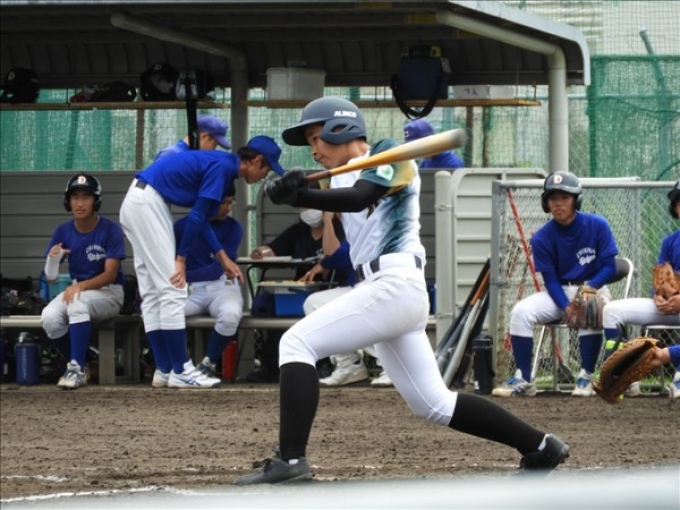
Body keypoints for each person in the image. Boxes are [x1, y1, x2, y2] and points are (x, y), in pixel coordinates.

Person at [234, 96, 569, 486]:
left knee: (296, 343)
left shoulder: (389, 154)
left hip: (394, 283)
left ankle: (290, 459)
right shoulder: (341, 175)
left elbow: (360, 197)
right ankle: (540, 445)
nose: (313, 149)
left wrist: (300, 195)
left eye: (315, 138)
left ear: (339, 129)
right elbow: (335, 225)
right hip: (383, 289)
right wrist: (295, 193)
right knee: (433, 403)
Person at [120, 135, 284, 389]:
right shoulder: (224, 168)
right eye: (267, 169)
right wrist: (181, 259)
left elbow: (202, 218)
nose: (265, 176)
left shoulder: (223, 163)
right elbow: (197, 217)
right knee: (173, 288)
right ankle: (181, 369)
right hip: (148, 203)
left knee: (153, 293)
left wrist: (221, 256)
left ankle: (164, 368)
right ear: (256, 160)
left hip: (137, 200)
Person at [492, 172, 620, 398]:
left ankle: (586, 375)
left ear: (576, 200)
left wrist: (588, 289)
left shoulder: (597, 225)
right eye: (553, 198)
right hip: (558, 291)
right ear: (546, 203)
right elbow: (550, 280)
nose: (558, 203)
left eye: (564, 197)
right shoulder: (542, 237)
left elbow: (610, 267)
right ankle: (524, 378)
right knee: (521, 311)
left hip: (593, 286)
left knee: (589, 306)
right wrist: (566, 306)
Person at [41, 173, 126, 390]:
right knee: (49, 317)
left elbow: (110, 274)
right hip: (79, 290)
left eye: (86, 197)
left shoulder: (111, 229)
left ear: (96, 201)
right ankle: (84, 362)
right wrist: (53, 259)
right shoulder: (62, 231)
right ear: (68, 202)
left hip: (110, 292)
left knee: (76, 302)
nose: (80, 203)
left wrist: (80, 286)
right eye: (75, 198)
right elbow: (50, 277)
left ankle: (76, 369)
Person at [245, 207, 348, 383]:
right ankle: (271, 364)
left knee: (316, 308)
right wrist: (262, 253)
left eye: (313, 205)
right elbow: (274, 249)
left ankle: (322, 363)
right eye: (303, 207)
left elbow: (333, 255)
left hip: (329, 287)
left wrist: (328, 222)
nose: (309, 211)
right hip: (300, 288)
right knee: (265, 305)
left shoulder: (340, 228)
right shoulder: (297, 231)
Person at [601, 179, 680, 398]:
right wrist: (657, 297)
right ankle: (621, 375)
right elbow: (660, 279)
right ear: (675, 209)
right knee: (611, 311)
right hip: (669, 307)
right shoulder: (670, 242)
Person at [175, 185, 242, 387]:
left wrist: (182, 274)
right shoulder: (181, 226)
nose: (227, 208)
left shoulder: (233, 227)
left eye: (230, 202)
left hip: (221, 286)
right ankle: (176, 365)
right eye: (223, 203)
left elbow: (216, 270)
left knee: (230, 314)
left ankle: (208, 364)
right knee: (162, 312)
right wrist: (181, 277)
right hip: (189, 289)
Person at [154, 114, 231, 161]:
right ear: (204, 137)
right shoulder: (170, 155)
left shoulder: (196, 157)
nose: (213, 150)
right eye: (214, 145)